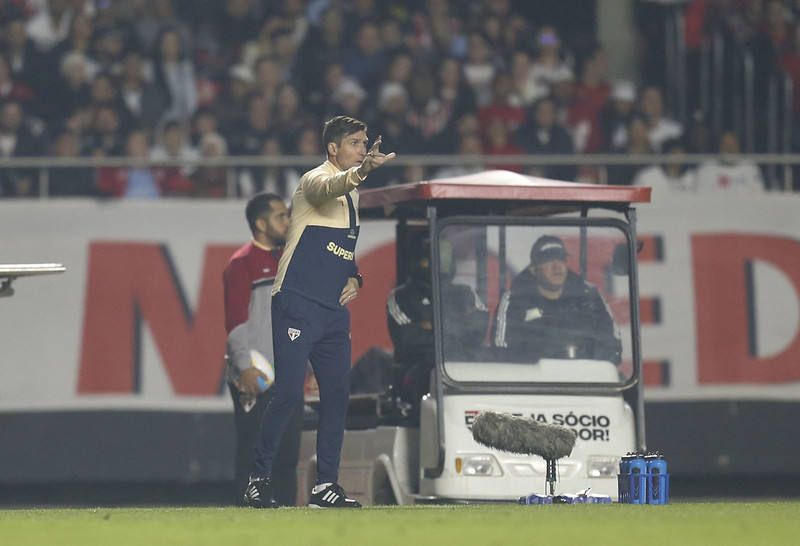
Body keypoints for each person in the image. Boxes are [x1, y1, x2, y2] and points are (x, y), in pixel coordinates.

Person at [243, 115, 395, 509]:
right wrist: (362, 171)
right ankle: (257, 479)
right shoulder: (314, 181)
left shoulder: (352, 195)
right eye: (356, 143)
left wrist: (356, 278)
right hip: (298, 299)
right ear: (333, 148)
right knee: (290, 392)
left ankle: (324, 486)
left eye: (364, 143)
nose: (363, 149)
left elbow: (344, 250)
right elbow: (334, 184)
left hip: (331, 308)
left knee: (336, 397)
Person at [223, 192, 303, 507]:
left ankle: (286, 522)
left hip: (287, 373)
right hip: (257, 372)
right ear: (260, 223)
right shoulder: (241, 264)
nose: (288, 221)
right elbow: (235, 322)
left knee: (287, 454)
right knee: (254, 454)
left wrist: (306, 366)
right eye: (281, 216)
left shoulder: (288, 259)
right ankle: (245, 521)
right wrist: (245, 366)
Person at [386, 239, 489, 422]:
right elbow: (407, 340)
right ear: (417, 262)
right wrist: (457, 326)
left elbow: (477, 331)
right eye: (428, 259)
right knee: (427, 376)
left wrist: (432, 325)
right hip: (420, 371)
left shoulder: (465, 293)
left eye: (443, 260)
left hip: (464, 365)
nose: (437, 265)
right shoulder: (401, 296)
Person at [493, 235, 622, 365]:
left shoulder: (588, 296)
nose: (556, 266)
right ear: (533, 269)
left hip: (584, 380)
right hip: (534, 381)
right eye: (547, 260)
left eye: (561, 259)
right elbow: (501, 352)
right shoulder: (514, 300)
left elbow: (613, 347)